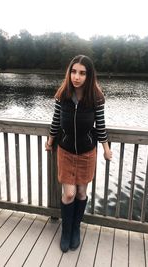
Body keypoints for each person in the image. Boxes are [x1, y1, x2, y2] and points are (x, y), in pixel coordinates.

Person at [45, 55, 112, 253]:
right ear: (69, 73)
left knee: (81, 193)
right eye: (74, 72)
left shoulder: (96, 98)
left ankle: (76, 229)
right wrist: (50, 141)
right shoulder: (62, 95)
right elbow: (56, 121)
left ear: (89, 76)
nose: (77, 77)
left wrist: (106, 149)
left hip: (86, 154)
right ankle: (66, 231)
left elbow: (100, 126)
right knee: (69, 193)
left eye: (82, 73)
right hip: (65, 152)